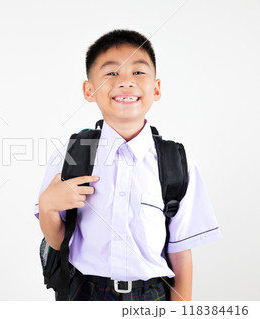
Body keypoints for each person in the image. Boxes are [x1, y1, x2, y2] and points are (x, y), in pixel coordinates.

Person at [34, 29, 222, 301]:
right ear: (89, 90)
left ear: (156, 89)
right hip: (84, 293)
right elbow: (57, 241)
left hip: (151, 295)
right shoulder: (73, 156)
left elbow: (181, 254)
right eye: (111, 73)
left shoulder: (176, 163)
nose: (125, 82)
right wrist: (47, 205)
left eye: (138, 72)